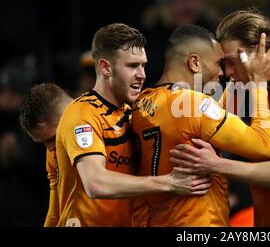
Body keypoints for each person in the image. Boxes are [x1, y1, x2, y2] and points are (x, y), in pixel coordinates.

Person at [170, 10, 270, 226]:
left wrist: (215, 164)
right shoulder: (261, 86)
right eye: (224, 63)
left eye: (233, 62)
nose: (227, 72)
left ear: (259, 51)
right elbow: (211, 120)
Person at [55, 23, 210, 227]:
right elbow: (95, 183)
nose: (142, 74)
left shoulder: (134, 113)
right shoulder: (82, 113)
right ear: (105, 67)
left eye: (143, 65)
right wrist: (170, 182)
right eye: (132, 66)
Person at [131, 24, 270, 226]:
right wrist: (259, 83)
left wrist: (237, 80)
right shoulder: (192, 104)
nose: (222, 72)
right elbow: (262, 145)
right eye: (219, 63)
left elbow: (207, 118)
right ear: (194, 63)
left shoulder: (141, 103)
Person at [18, 83, 72, 226]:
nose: (50, 148)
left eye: (52, 138)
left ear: (68, 113)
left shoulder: (105, 124)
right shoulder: (52, 154)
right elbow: (55, 213)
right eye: (43, 142)